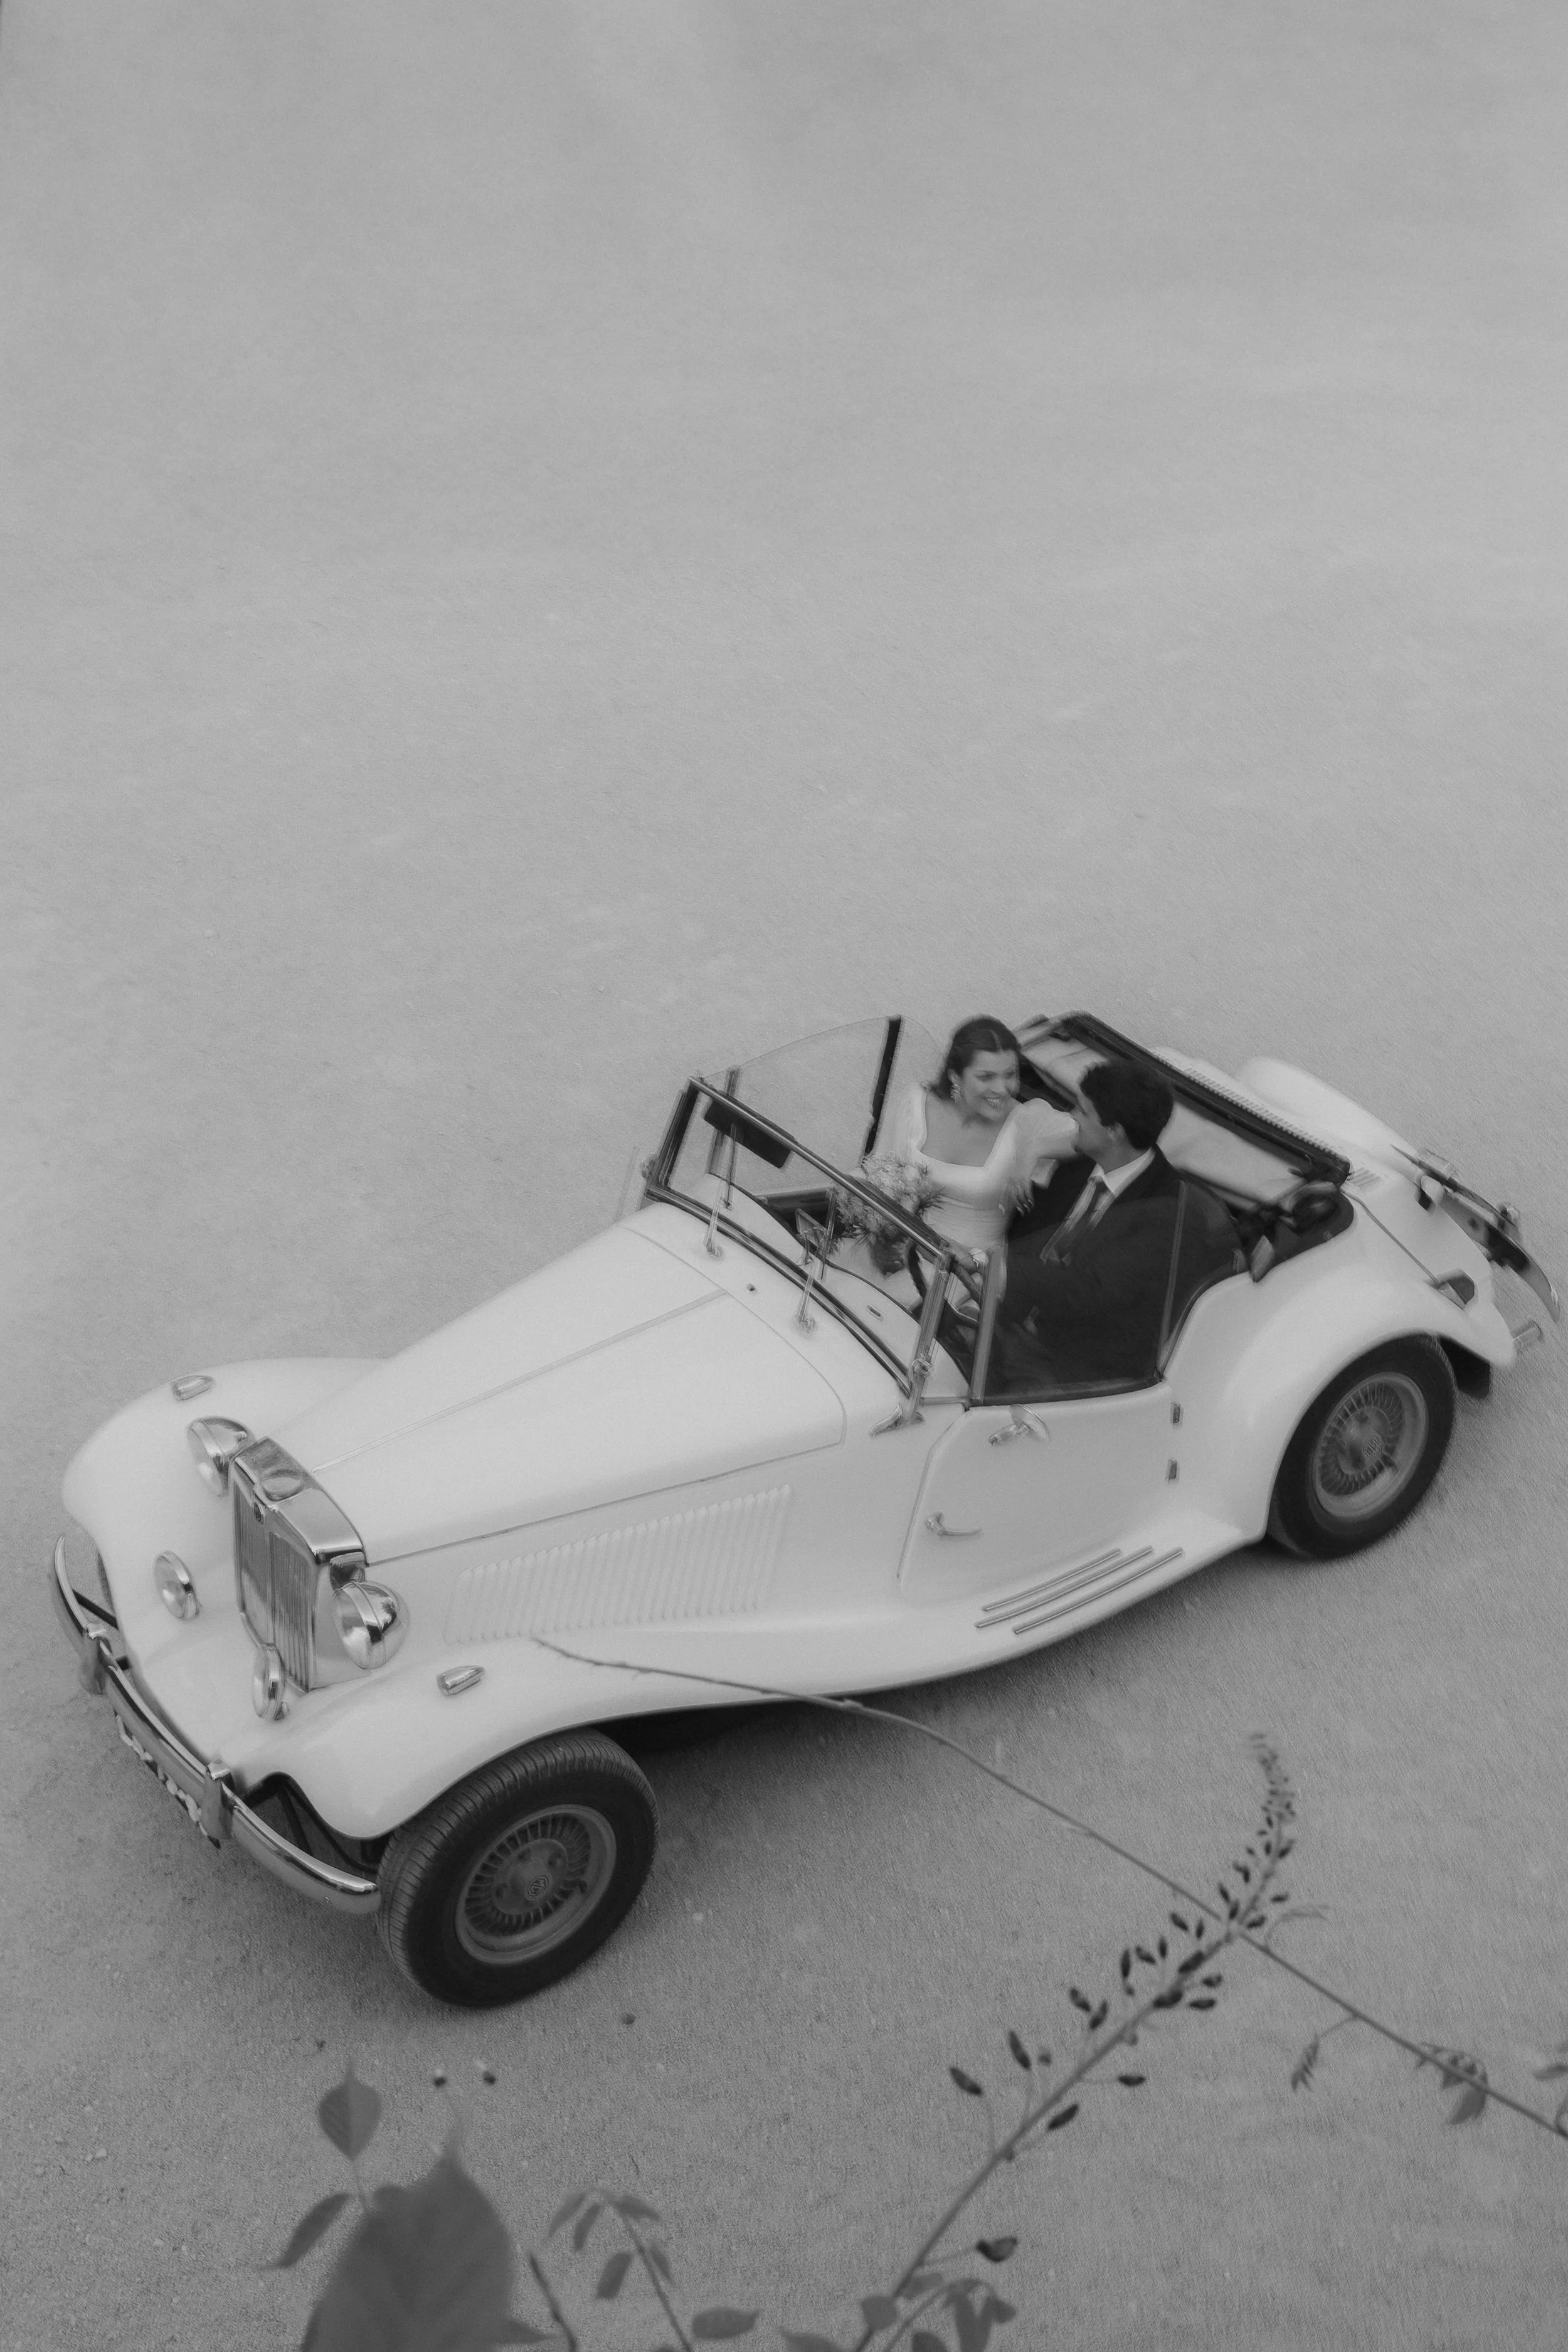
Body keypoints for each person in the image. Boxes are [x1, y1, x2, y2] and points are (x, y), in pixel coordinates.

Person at [995, 1057, 1182, 1386]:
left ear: (1113, 1132)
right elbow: (1028, 1238)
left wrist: (1003, 1273)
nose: (1071, 1115)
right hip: (1006, 1325)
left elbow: (1094, 1292)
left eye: (1083, 1111)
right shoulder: (1082, 1161)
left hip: (1071, 1366)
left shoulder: (1164, 1209)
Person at [881, 1017, 1077, 1251]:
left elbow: (1101, 1131)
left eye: (1010, 1075)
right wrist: (879, 1233)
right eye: (986, 1077)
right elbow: (877, 1175)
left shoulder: (1027, 1120)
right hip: (897, 1246)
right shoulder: (916, 1103)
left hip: (967, 1271)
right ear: (956, 1076)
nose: (1003, 1089)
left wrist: (1038, 1149)